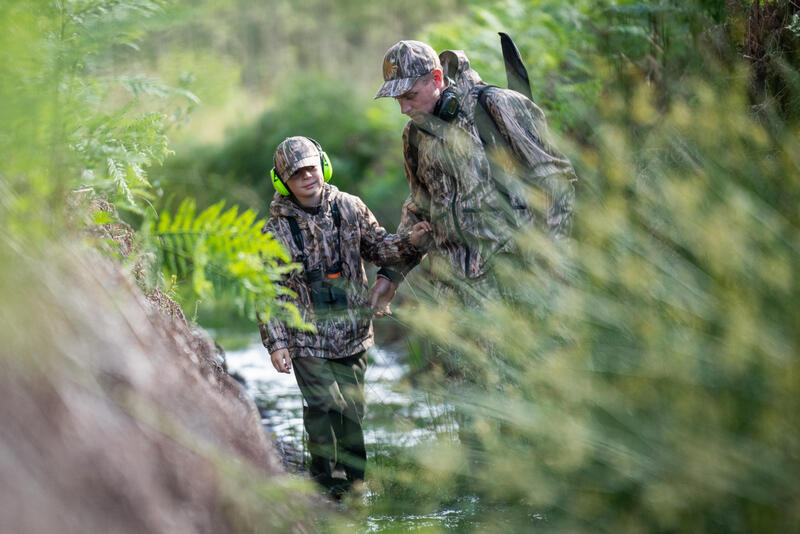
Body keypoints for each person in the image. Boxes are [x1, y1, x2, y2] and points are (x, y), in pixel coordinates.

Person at [258, 136, 428, 500]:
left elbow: (381, 247)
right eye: (296, 173)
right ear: (281, 181)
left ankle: (355, 486)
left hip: (353, 332)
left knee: (352, 412)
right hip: (305, 337)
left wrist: (411, 240)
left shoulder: (350, 207)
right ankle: (325, 487)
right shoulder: (272, 233)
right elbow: (266, 294)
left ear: (324, 166)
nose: (307, 177)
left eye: (311, 168)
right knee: (323, 407)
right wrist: (277, 344)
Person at [368, 39, 576, 313]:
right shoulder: (414, 135)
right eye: (397, 99)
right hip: (453, 301)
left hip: (514, 292)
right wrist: (391, 277)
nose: (403, 109)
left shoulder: (496, 107)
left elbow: (555, 181)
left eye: (409, 96)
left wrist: (551, 263)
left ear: (437, 78)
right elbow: (420, 210)